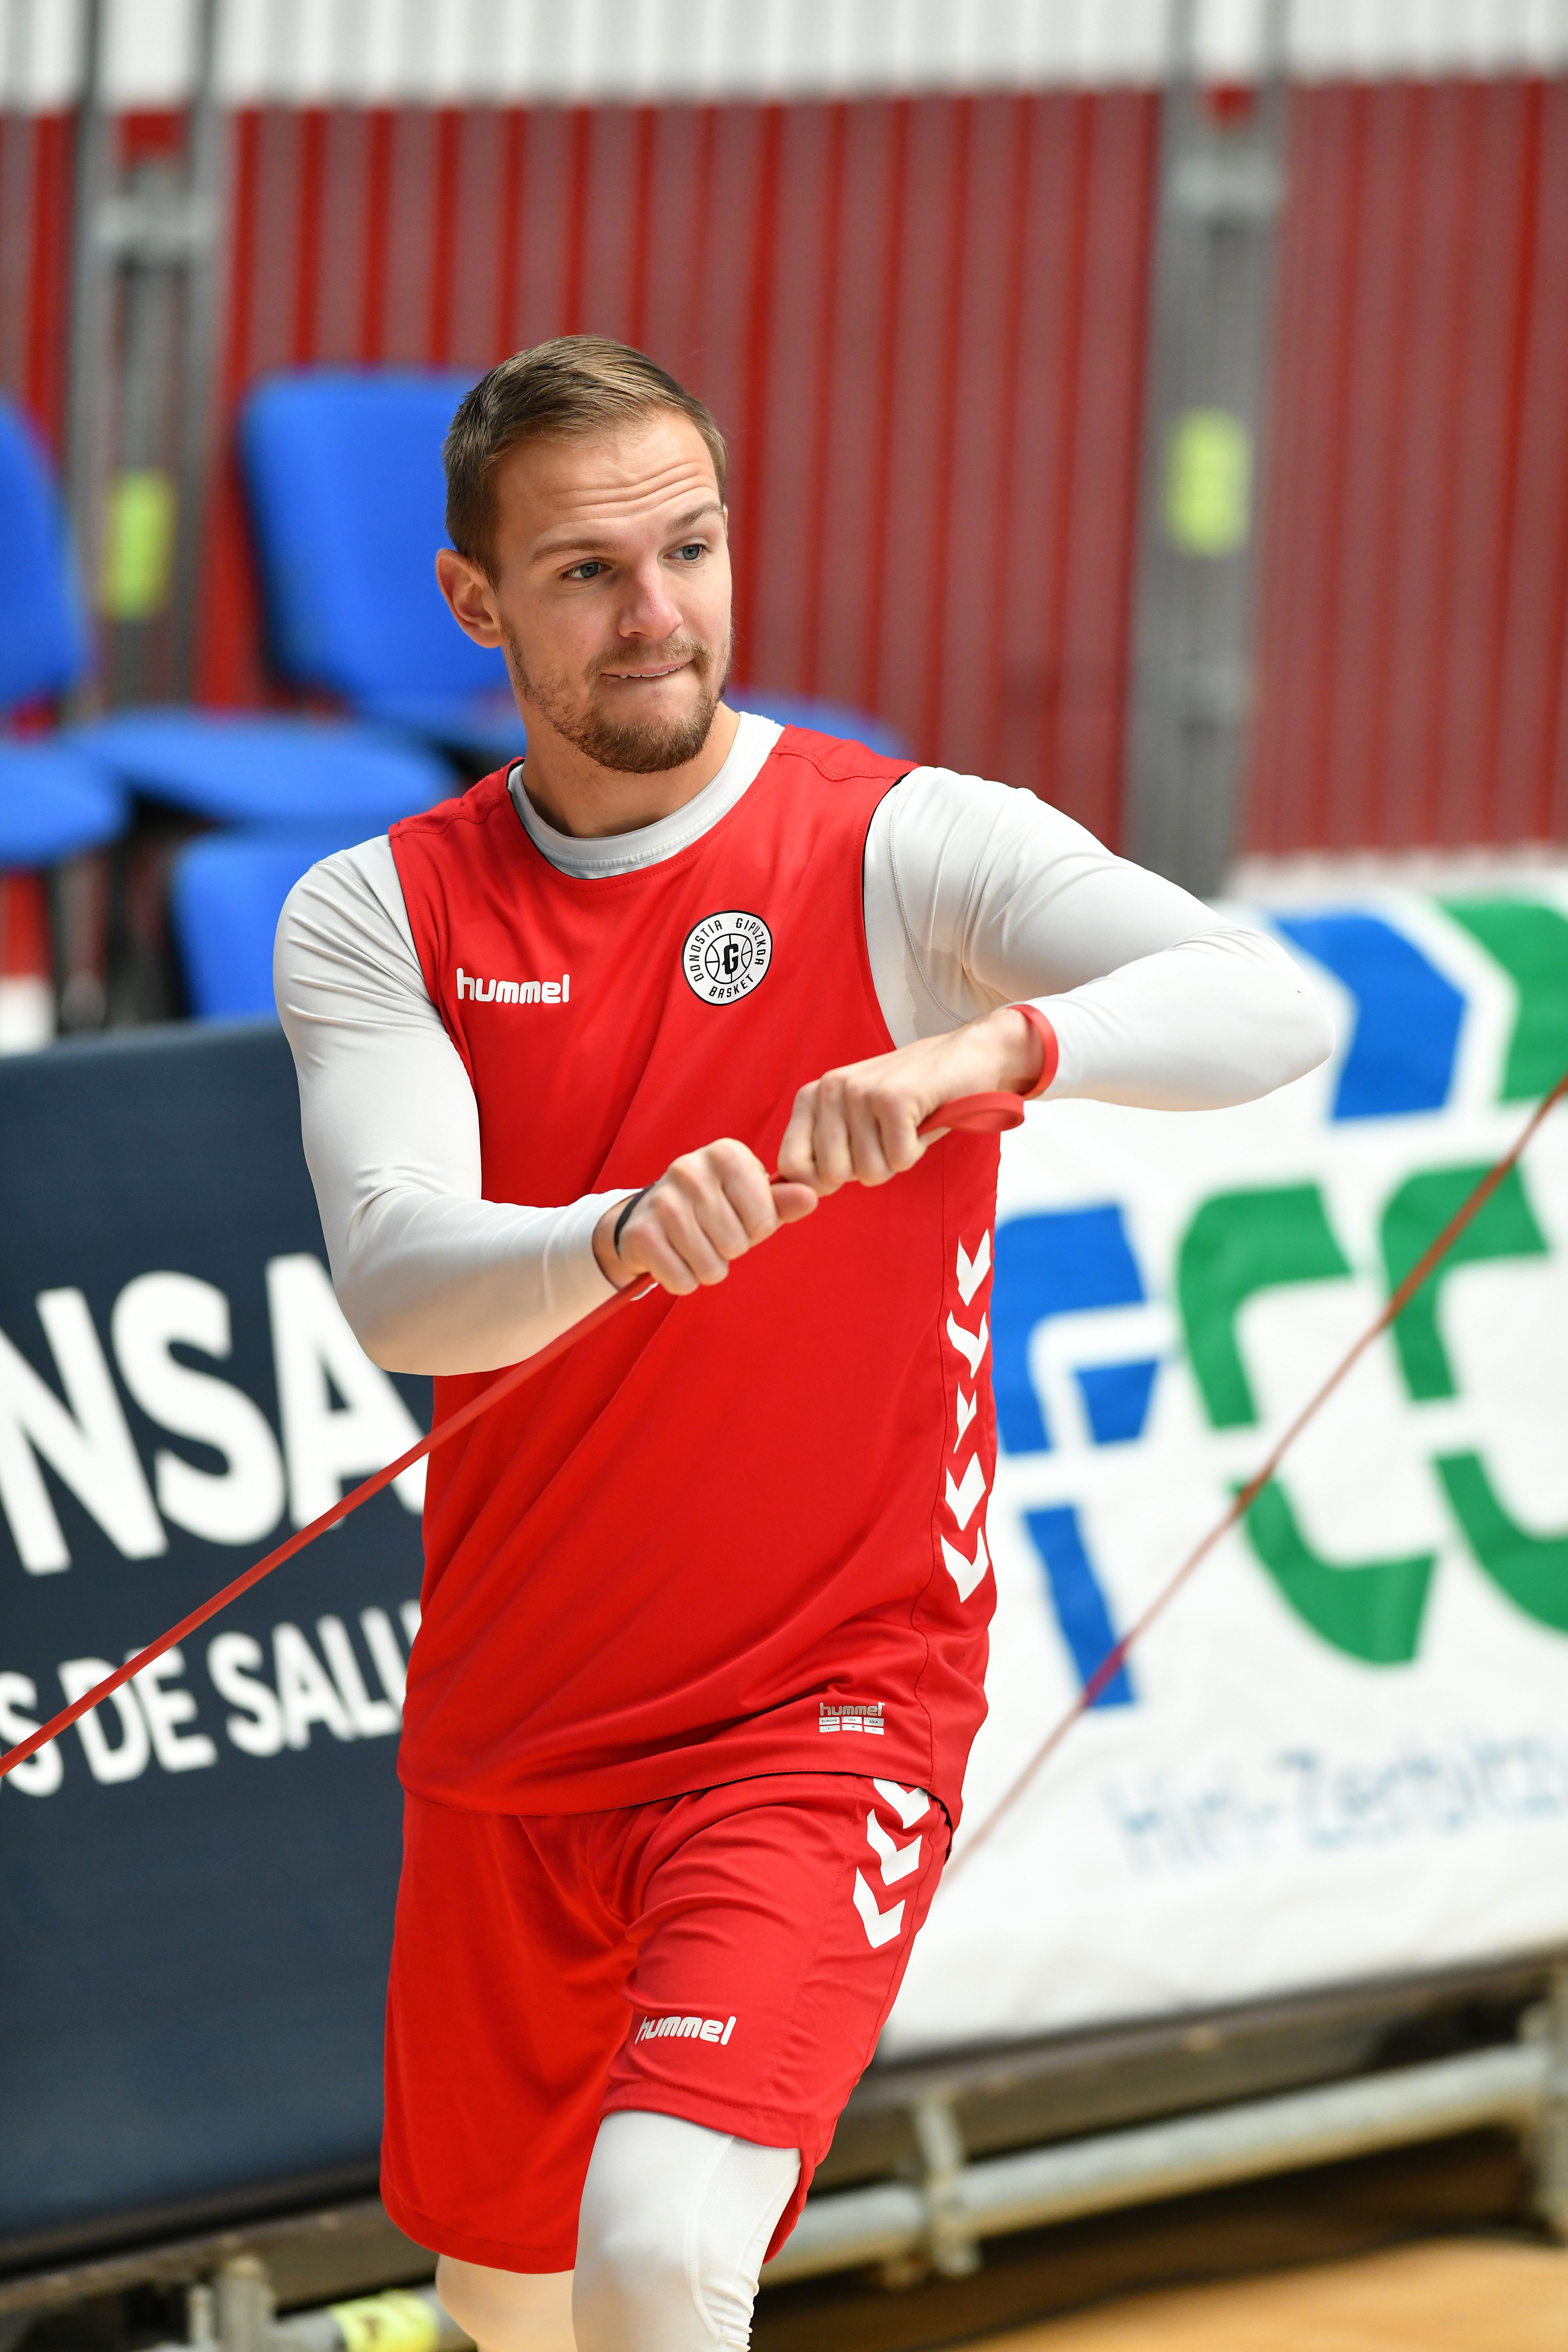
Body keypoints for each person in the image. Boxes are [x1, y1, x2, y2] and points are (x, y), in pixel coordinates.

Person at [275, 335, 1332, 2352]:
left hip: (823, 1701)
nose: (658, 612)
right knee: (508, 2307)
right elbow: (403, 1280)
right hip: (516, 1727)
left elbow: (1267, 1000)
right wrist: (613, 1235)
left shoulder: (907, 845)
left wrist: (1004, 1041)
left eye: (692, 546)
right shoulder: (371, 911)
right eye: (587, 572)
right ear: (473, 602)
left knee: (666, 2248)